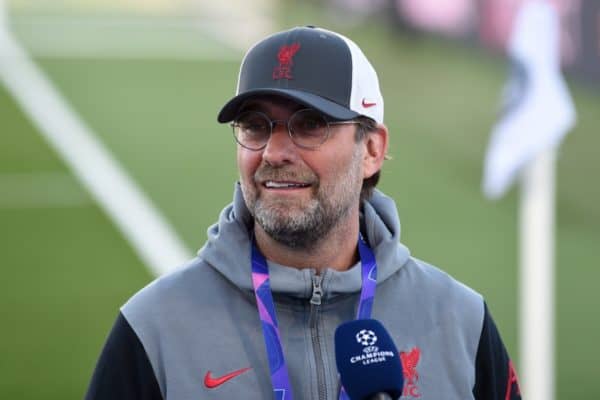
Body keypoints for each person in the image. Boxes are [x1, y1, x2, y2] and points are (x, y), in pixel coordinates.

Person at [85, 26, 521, 400]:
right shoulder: (153, 328)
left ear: (371, 150)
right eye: (255, 125)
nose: (274, 152)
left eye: (310, 124)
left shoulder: (461, 321)